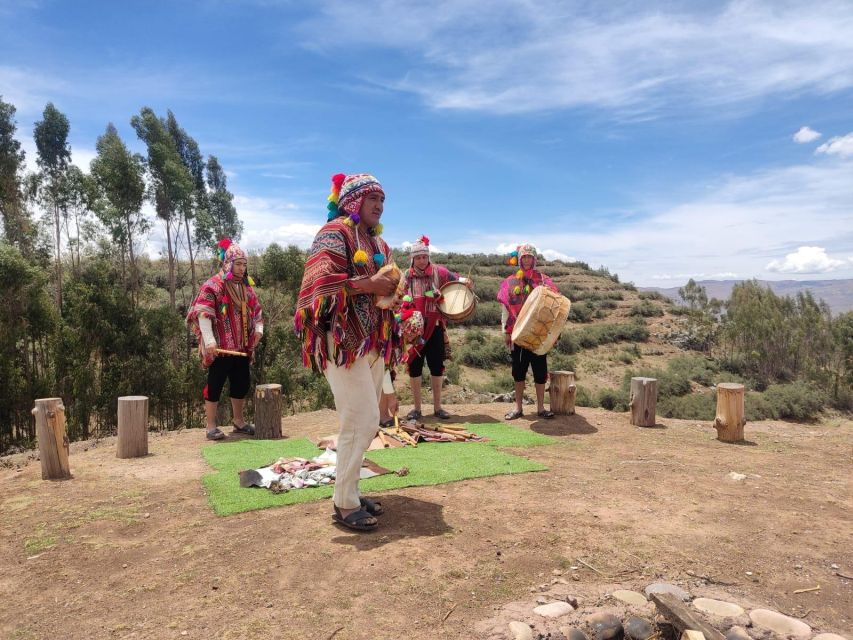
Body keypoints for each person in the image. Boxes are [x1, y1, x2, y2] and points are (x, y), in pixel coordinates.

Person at [294, 173, 399, 532]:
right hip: (340, 342)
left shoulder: (376, 242)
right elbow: (318, 287)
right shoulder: (333, 233)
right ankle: (343, 503)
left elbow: (386, 287)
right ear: (353, 201)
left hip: (371, 341)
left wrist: (391, 294)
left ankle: (350, 491)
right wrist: (367, 284)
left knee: (362, 424)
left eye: (382, 200)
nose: (380, 205)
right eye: (373, 198)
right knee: (363, 421)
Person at [187, 238, 264, 440]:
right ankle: (211, 426)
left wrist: (259, 330)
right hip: (220, 347)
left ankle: (238, 422)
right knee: (215, 385)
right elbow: (203, 312)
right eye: (238, 264)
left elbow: (257, 311)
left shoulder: (246, 288)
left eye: (244, 264)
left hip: (241, 346)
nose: (241, 268)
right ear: (228, 263)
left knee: (241, 383)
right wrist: (210, 340)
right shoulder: (213, 285)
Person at [401, 236, 470, 420]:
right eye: (418, 257)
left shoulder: (439, 272)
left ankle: (438, 408)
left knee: (436, 367)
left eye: (424, 257)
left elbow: (456, 280)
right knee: (414, 367)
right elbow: (399, 296)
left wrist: (466, 281)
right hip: (413, 330)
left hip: (436, 327)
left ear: (428, 257)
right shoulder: (406, 276)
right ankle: (416, 409)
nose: (422, 260)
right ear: (413, 259)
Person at [497, 243, 558, 421]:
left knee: (540, 372)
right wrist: (506, 331)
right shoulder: (510, 282)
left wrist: (554, 332)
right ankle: (518, 408)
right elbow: (506, 309)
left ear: (534, 259)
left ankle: (540, 408)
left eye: (529, 257)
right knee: (518, 371)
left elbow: (554, 304)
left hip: (539, 334)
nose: (527, 260)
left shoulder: (544, 280)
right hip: (519, 333)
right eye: (524, 257)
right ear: (519, 259)